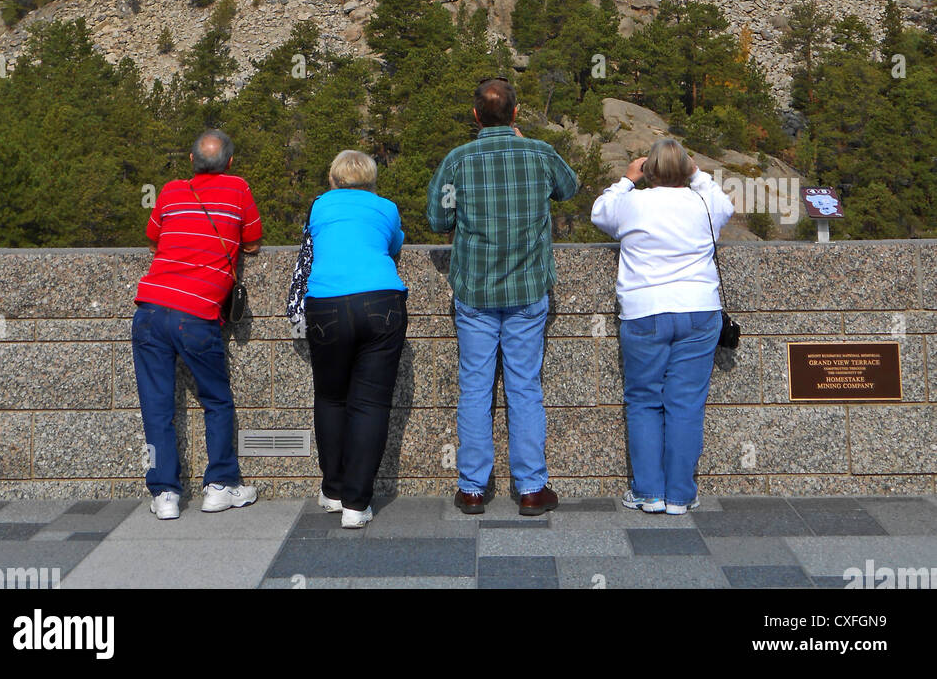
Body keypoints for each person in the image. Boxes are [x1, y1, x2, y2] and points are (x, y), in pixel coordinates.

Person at [426, 78, 579, 517]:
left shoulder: (457, 162)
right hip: (528, 290)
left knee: (475, 388)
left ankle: (472, 488)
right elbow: (568, 189)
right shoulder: (540, 154)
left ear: (475, 116)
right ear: (515, 114)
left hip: (475, 291)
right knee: (524, 387)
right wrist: (529, 146)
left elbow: (440, 219)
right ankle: (531, 488)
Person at [591, 137, 734, 515]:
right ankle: (681, 496)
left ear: (649, 170)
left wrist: (626, 179)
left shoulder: (632, 203)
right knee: (686, 404)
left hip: (645, 312)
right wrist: (697, 174)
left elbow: (600, 213)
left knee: (644, 401)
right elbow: (726, 205)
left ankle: (649, 492)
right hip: (699, 310)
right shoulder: (704, 202)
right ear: (686, 168)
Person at [132, 129, 262, 520]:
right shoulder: (238, 189)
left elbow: (153, 238)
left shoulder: (171, 191)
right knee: (216, 400)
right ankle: (220, 485)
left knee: (157, 407)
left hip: (151, 308)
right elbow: (253, 241)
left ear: (191, 161)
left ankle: (166, 494)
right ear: (231, 162)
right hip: (198, 313)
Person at [304, 150, 408, 529]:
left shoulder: (319, 206)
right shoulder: (387, 208)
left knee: (331, 397)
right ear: (371, 180)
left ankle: (332, 490)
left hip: (326, 305)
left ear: (332, 179)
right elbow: (394, 246)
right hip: (381, 301)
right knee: (370, 404)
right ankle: (356, 503)